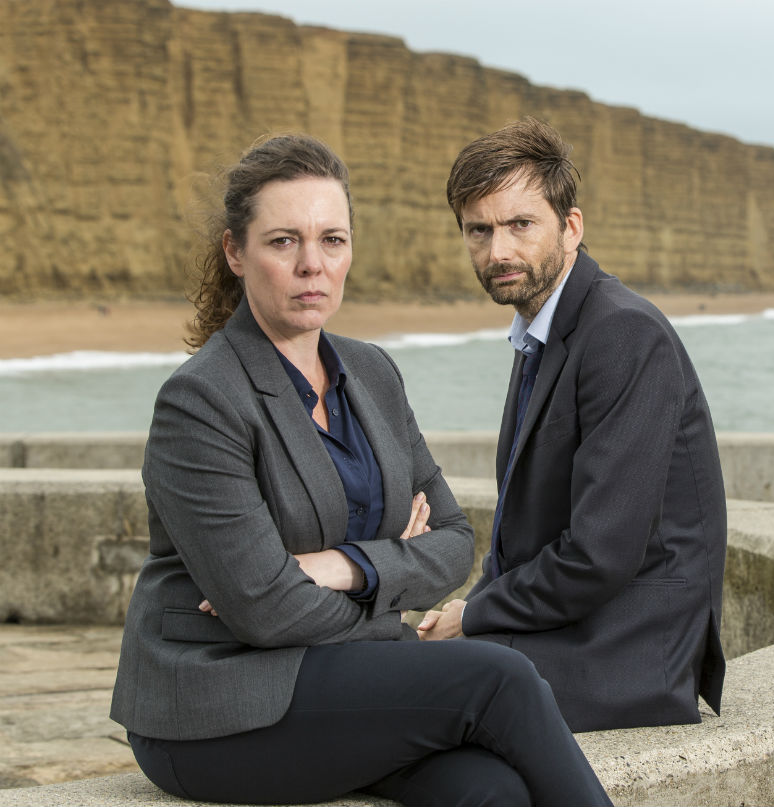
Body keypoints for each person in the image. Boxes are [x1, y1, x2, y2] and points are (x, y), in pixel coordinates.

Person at [109, 133, 611, 807]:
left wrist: (340, 566)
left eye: (332, 240)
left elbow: (453, 541)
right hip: (215, 703)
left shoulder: (372, 372)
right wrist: (390, 592)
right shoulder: (200, 401)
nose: (312, 265)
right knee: (500, 676)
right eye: (283, 241)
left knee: (488, 790)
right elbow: (264, 610)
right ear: (236, 252)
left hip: (336, 682)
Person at [418, 118, 727, 733]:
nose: (498, 252)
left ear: (571, 227)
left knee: (410, 699)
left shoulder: (623, 332)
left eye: (520, 225)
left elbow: (599, 555)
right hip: (575, 623)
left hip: (633, 649)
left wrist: (472, 616)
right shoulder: (543, 330)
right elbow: (525, 533)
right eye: (479, 230)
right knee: (386, 671)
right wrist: (470, 609)